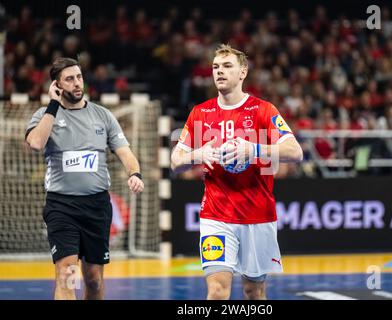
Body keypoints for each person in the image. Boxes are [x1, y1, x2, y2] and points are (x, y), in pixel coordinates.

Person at [171, 44, 303, 300]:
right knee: (218, 290)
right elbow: (176, 161)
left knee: (254, 292)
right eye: (215, 67)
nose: (219, 71)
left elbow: (295, 152)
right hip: (216, 217)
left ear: (242, 73)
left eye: (227, 66)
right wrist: (198, 155)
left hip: (258, 215)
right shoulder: (200, 113)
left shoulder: (263, 110)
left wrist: (253, 150)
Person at [25, 57, 144, 300]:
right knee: (67, 275)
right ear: (56, 85)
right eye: (69, 79)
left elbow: (126, 153)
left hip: (97, 206)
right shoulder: (44, 115)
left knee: (94, 279)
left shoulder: (103, 115)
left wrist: (135, 173)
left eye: (79, 77)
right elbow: (36, 143)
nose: (77, 83)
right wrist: (52, 106)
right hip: (62, 206)